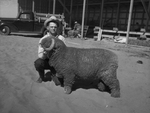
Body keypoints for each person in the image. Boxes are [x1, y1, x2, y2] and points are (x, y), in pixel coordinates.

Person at [34, 16, 65, 83]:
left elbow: (65, 52)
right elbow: (40, 56)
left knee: (59, 82)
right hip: (47, 61)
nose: (53, 28)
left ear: (57, 28)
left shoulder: (61, 38)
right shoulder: (43, 39)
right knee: (38, 63)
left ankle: (54, 73)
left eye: (55, 27)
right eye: (51, 27)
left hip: (57, 63)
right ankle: (41, 77)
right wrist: (45, 53)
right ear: (48, 28)